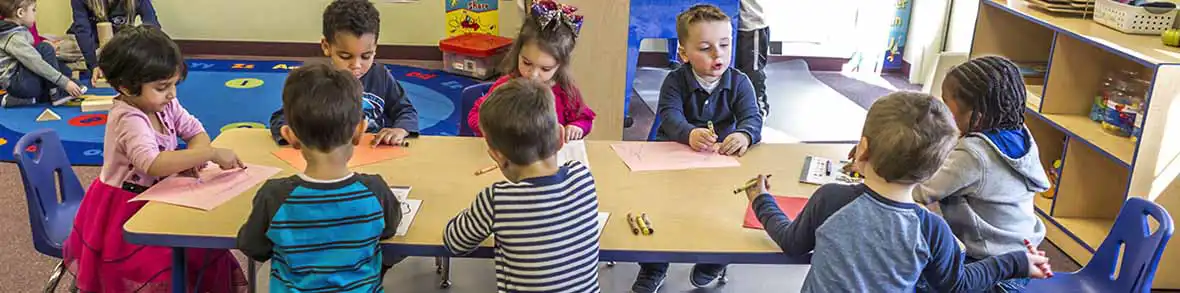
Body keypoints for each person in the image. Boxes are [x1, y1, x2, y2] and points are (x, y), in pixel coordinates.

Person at [744, 91, 1053, 292]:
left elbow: (792, 243)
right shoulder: (933, 230)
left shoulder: (831, 199)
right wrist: (1018, 262)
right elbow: (957, 284)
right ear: (935, 169)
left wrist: (762, 201)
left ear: (862, 149)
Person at [61, 25, 248, 292]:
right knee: (164, 266)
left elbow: (196, 131)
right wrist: (206, 154)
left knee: (204, 248)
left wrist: (194, 155)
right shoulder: (128, 117)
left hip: (159, 195)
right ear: (126, 87)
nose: (171, 94)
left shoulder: (165, 103)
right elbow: (151, 163)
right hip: (123, 209)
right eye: (162, 87)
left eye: (173, 85)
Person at [238, 63, 402, 292]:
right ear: (360, 131)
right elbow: (390, 229)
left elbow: (253, 246)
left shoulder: (274, 196)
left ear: (289, 135)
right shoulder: (375, 190)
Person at [634, 5, 763, 291]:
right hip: (671, 158)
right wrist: (689, 133)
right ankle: (654, 267)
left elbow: (753, 118)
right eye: (705, 48)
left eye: (725, 45)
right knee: (662, 209)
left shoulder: (740, 82)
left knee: (725, 209)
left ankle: (714, 260)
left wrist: (744, 135)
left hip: (719, 161)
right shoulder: (674, 81)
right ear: (684, 54)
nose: (718, 54)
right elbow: (669, 115)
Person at [444, 77, 602, 292]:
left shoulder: (497, 200)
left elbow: (454, 242)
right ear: (560, 138)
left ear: (497, 156)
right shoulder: (582, 177)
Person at [913, 56, 1050, 292]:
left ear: (976, 113)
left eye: (947, 104)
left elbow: (919, 190)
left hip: (991, 271)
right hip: (1021, 259)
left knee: (909, 272)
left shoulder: (974, 154)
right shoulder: (1017, 135)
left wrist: (879, 165)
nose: (942, 112)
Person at [270, 0, 418, 147]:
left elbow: (405, 110)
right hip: (329, 156)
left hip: (372, 151)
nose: (356, 66)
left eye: (366, 56)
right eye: (345, 57)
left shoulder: (380, 75)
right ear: (326, 47)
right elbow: (281, 117)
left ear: (375, 48)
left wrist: (400, 129)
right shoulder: (315, 79)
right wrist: (291, 131)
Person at [467, 0, 595, 140]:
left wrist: (577, 127)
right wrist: (493, 128)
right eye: (527, 63)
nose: (533, 75)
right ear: (518, 53)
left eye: (545, 68)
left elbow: (584, 118)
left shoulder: (567, 93)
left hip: (550, 158)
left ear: (560, 66)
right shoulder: (505, 87)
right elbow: (476, 115)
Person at [0, 0, 86, 107]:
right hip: (18, 85)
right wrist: (64, 83)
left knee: (64, 69)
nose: (35, 14)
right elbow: (36, 63)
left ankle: (30, 98)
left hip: (20, 82)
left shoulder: (16, 31)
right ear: (20, 13)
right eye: (33, 10)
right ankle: (56, 94)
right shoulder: (14, 37)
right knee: (45, 48)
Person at [69, 0, 161, 79]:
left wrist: (156, 61)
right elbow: (82, 30)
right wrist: (94, 65)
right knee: (63, 49)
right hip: (89, 44)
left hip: (119, 42)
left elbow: (152, 25)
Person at [737, 0, 770, 117]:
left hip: (750, 26)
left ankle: (759, 112)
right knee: (732, 72)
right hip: (730, 23)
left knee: (752, 72)